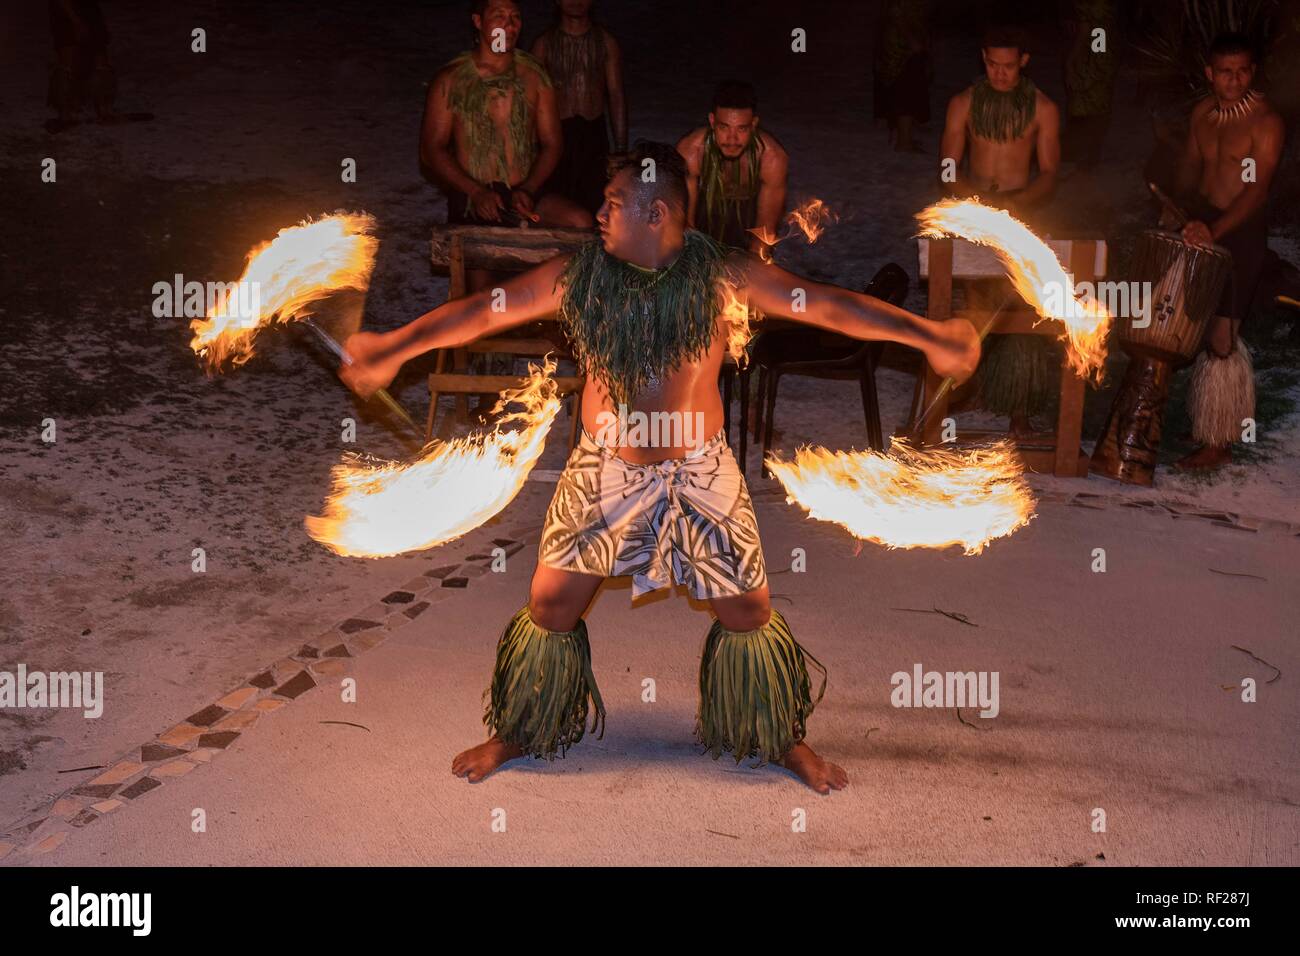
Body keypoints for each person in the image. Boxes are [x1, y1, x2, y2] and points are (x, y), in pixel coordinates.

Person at [339, 142, 980, 793]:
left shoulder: (724, 275)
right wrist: (395, 346)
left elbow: (831, 306)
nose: (599, 213)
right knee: (550, 606)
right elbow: (482, 310)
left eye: (614, 203)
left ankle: (780, 737)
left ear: (657, 213)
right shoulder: (578, 274)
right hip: (604, 471)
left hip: (696, 470)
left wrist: (929, 336)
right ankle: (519, 730)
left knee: (749, 612)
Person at [940, 25, 1062, 437]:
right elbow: (947, 168)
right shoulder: (963, 104)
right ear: (983, 58)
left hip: (1020, 210)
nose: (1000, 74)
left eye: (1009, 66)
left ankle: (1020, 405)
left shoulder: (1043, 108)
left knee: (1020, 304)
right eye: (992, 64)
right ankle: (972, 385)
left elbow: (1048, 174)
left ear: (1023, 62)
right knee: (976, 300)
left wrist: (1019, 202)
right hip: (976, 210)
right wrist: (974, 201)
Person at [1171, 32, 1284, 470]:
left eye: (1242, 72)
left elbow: (1255, 191)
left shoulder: (1265, 122)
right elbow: (1193, 170)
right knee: (1198, 325)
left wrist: (1214, 229)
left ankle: (1219, 441)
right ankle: (1207, 420)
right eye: (1224, 72)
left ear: (1252, 72)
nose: (1233, 81)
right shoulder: (1202, 114)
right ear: (1210, 74)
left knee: (1223, 336)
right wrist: (1177, 210)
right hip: (1204, 224)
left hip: (1239, 233)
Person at [420, 0, 593, 238]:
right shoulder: (451, 80)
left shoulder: (534, 76)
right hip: (472, 195)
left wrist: (529, 190)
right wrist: (476, 192)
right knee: (484, 266)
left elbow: (553, 143)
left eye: (515, 17)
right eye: (499, 16)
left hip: (523, 194)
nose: (509, 25)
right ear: (478, 21)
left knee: (580, 222)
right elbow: (431, 150)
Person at [531, 0, 627, 217]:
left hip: (594, 132)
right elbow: (530, 101)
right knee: (557, 203)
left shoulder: (605, 42)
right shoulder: (544, 44)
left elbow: (616, 95)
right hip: (556, 133)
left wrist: (621, 150)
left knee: (596, 205)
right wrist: (530, 148)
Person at [677, 82, 789, 252]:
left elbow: (765, 234)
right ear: (712, 121)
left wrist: (754, 267)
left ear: (753, 125)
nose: (732, 139)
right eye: (724, 127)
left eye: (742, 129)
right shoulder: (691, 151)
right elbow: (686, 226)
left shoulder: (771, 158)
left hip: (748, 222)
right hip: (704, 218)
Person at [873, 0, 933, 153]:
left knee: (910, 90)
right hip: (901, 51)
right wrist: (911, 40)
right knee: (905, 92)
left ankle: (905, 136)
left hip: (907, 46)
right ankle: (903, 142)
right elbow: (896, 14)